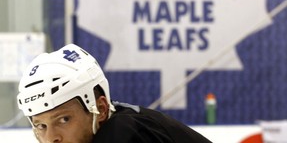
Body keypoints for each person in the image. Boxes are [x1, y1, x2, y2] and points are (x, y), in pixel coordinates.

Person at [17, 44, 212, 143]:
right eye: (41, 126)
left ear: (100, 109)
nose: (52, 138)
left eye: (64, 119)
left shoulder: (122, 134)